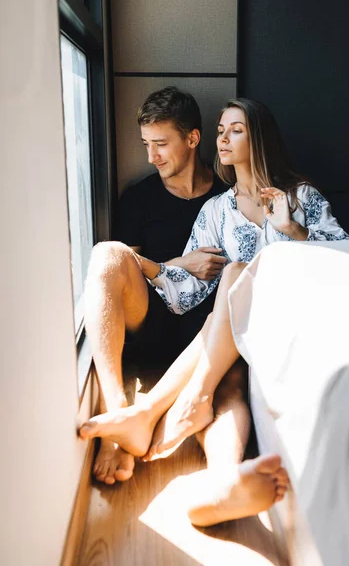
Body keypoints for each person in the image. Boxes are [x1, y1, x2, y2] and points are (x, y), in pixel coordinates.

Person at [80, 98, 349, 523]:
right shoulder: (216, 210)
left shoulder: (301, 198)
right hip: (234, 332)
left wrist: (293, 231)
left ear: (258, 136)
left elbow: (347, 261)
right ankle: (224, 483)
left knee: (237, 274)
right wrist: (170, 267)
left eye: (235, 130)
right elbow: (185, 291)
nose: (223, 137)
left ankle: (157, 410)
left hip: (288, 323)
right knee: (232, 331)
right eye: (221, 130)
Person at [84, 86, 227, 485]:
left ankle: (224, 477)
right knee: (107, 254)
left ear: (192, 138)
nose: (151, 156)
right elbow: (124, 270)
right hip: (153, 316)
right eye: (146, 144)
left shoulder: (228, 199)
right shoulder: (139, 197)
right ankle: (118, 417)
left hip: (210, 331)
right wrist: (180, 264)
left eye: (160, 144)